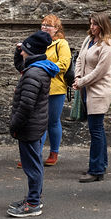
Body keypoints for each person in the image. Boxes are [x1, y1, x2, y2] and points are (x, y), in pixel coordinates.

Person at [8, 30, 59, 217]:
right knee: (35, 162)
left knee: (32, 166)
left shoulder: (33, 74)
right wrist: (19, 50)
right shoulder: (39, 68)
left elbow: (26, 106)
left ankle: (33, 204)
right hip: (36, 125)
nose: (21, 52)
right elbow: (21, 65)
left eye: (24, 49)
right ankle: (33, 197)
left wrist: (14, 125)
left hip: (29, 126)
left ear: (31, 51)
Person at [72, 12, 111, 182]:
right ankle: (101, 164)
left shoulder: (108, 45)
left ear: (103, 25)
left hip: (99, 91)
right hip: (86, 89)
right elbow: (80, 59)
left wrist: (81, 82)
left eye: (95, 24)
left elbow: (100, 72)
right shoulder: (89, 39)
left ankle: (96, 169)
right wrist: (76, 78)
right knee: (97, 129)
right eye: (91, 23)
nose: (92, 27)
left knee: (95, 130)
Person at [39, 14, 71, 166]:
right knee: (39, 121)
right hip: (38, 87)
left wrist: (44, 67)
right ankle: (35, 154)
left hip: (56, 88)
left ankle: (54, 153)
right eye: (43, 25)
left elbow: (64, 64)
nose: (44, 28)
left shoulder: (61, 44)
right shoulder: (39, 42)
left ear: (57, 28)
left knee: (52, 121)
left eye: (48, 25)